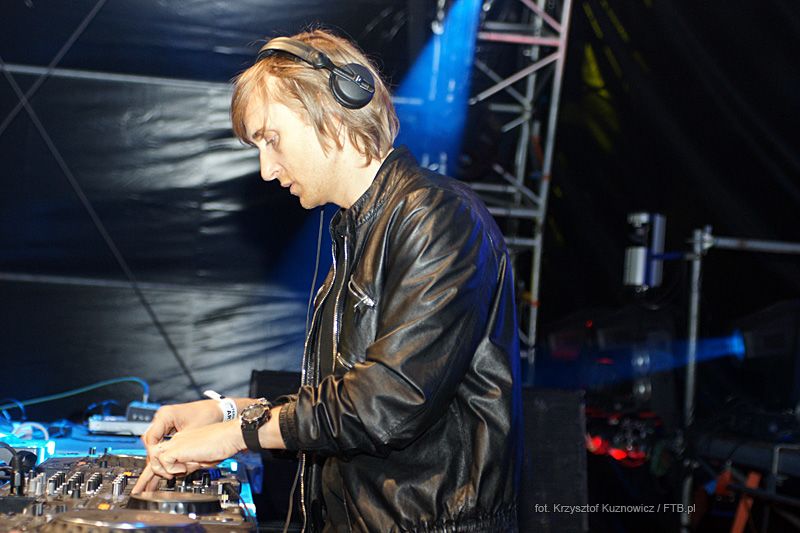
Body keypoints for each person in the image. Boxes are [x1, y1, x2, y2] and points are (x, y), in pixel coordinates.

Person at [132, 28, 523, 532]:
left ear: (335, 110)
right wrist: (226, 413)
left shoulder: (437, 216)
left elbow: (384, 402)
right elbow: (337, 400)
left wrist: (235, 436)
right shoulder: (359, 232)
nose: (266, 169)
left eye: (271, 139)